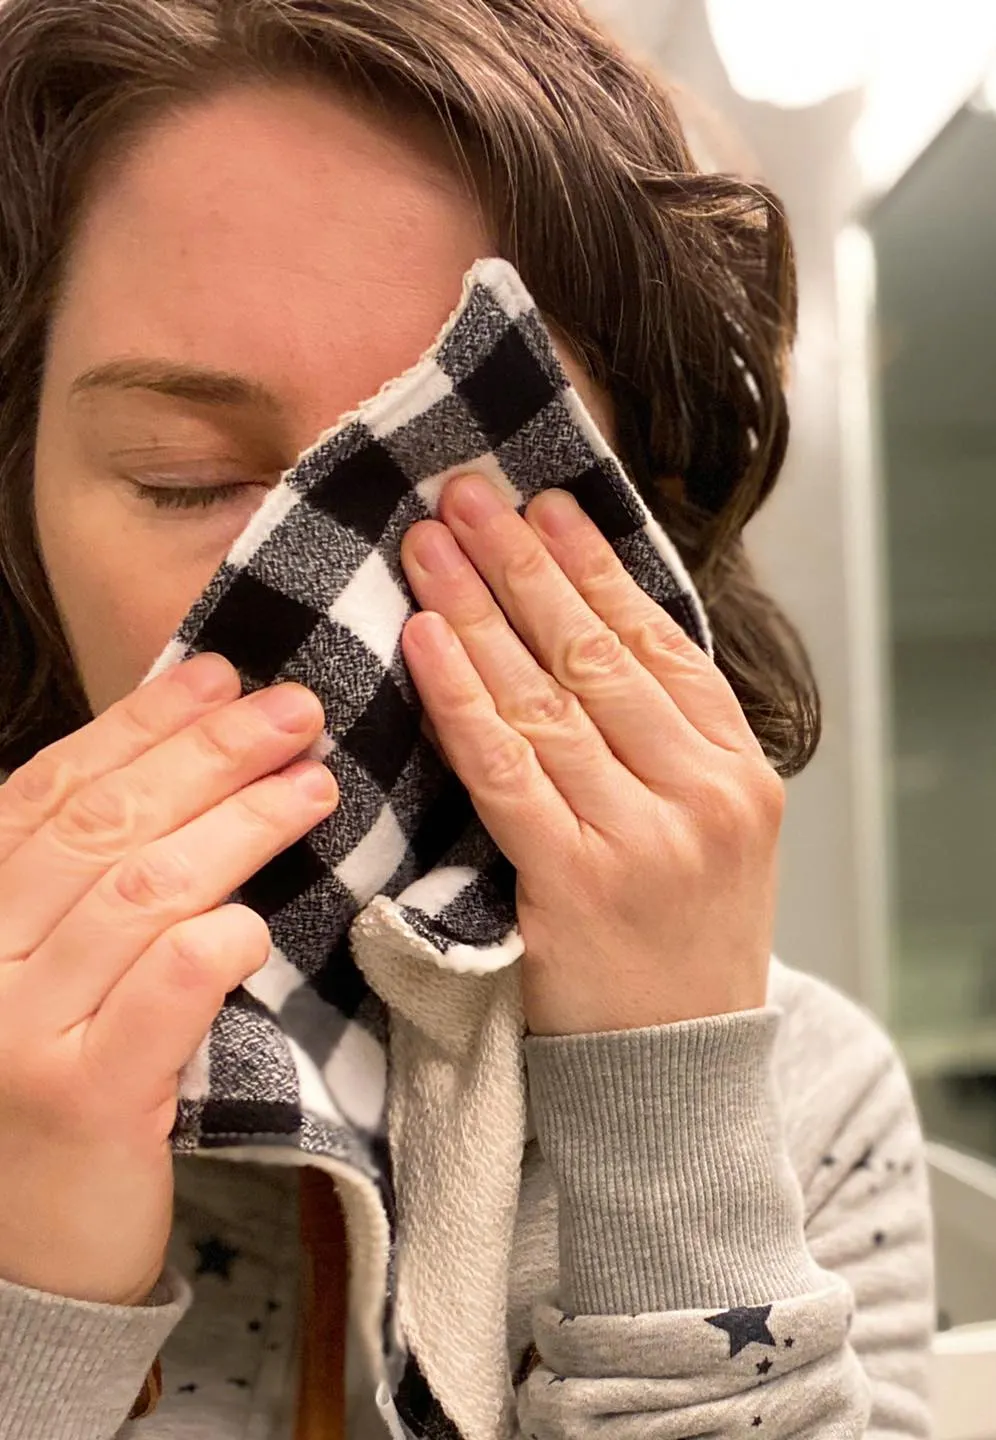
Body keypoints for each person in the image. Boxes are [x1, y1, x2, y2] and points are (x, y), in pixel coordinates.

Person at [0, 2, 935, 1437]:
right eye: (185, 477)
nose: (323, 595)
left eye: (454, 485)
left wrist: (669, 1120)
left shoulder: (808, 1098)